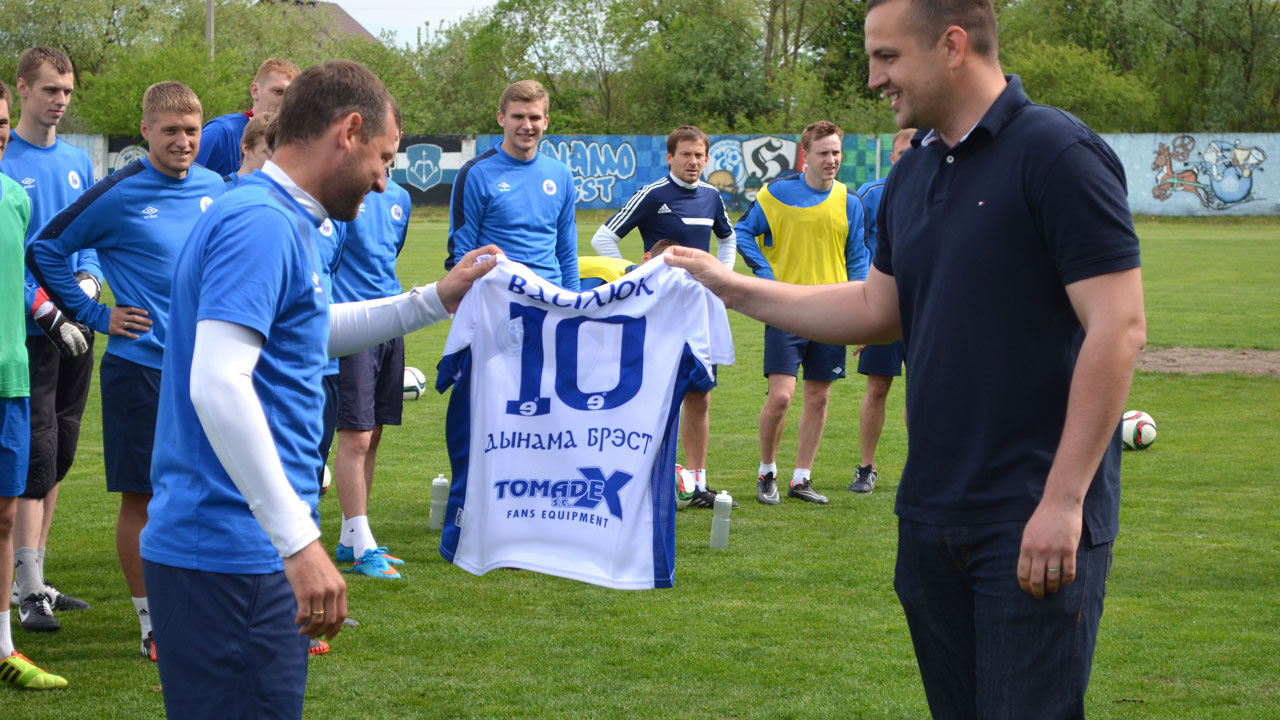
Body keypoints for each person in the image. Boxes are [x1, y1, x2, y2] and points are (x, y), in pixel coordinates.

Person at [666, 0, 1146, 715]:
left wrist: (1064, 500)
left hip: (1031, 513)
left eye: (886, 57)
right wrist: (731, 287)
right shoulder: (914, 172)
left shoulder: (1058, 153)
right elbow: (874, 309)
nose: (873, 78)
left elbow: (1119, 326)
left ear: (952, 46)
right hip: (930, 512)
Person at [138, 59, 500, 718]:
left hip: (242, 548)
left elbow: (307, 329)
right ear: (349, 131)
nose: (384, 179)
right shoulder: (261, 223)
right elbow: (218, 384)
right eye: (383, 157)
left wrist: (432, 299)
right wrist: (300, 542)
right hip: (231, 551)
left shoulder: (285, 217)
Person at [27, 82, 223, 661]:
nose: (183, 141)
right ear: (145, 131)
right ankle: (152, 624)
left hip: (206, 371)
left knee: (201, 495)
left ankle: (196, 608)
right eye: (170, 131)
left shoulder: (215, 187)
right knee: (143, 499)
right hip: (141, 371)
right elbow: (45, 249)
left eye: (192, 130)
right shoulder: (119, 192)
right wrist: (94, 315)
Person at [0, 46, 96, 630]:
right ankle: (25, 587)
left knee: (59, 449)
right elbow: (14, 256)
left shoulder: (79, 160)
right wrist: (47, 311)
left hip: (77, 322)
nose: (60, 100)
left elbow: (91, 236)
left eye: (66, 91)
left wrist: (88, 282)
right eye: (50, 90)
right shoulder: (6, 160)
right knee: (35, 454)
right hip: (31, 328)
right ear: (22, 88)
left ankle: (36, 577)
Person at [589, 125, 736, 507]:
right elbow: (603, 238)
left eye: (699, 155)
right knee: (650, 396)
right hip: (658, 314)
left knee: (700, 397)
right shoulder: (653, 194)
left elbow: (727, 238)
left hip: (697, 312)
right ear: (669, 157)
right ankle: (639, 480)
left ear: (707, 158)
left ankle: (697, 484)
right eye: (685, 154)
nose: (693, 161)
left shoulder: (712, 196)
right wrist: (633, 276)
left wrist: (723, 277)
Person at [735, 120, 869, 506]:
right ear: (805, 155)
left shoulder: (850, 201)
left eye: (836, 152)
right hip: (786, 310)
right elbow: (743, 232)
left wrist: (861, 313)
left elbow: (858, 259)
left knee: (819, 398)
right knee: (781, 397)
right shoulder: (776, 193)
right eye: (823, 153)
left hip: (832, 312)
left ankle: (801, 478)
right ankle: (767, 472)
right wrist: (766, 275)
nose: (831, 160)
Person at [0, 77, 67, 691]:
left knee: (6, 510)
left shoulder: (10, 196)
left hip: (13, 372)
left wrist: (49, 307)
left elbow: (19, 271)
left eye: (0, 126)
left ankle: (4, 645)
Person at [331, 129, 414, 581]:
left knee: (374, 434)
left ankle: (351, 537)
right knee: (355, 437)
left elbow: (390, 255)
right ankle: (363, 547)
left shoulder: (400, 197)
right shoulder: (343, 192)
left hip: (391, 322)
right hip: (353, 324)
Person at [446, 80, 578, 290]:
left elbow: (567, 252)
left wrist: (574, 301)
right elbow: (462, 253)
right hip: (497, 298)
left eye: (534, 118)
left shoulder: (561, 174)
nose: (527, 126)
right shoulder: (475, 173)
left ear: (545, 121)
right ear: (501, 118)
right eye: (518, 117)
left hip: (550, 299)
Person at [849, 127, 915, 494]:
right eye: (903, 154)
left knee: (922, 391)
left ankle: (920, 468)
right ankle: (866, 467)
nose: (910, 159)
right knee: (877, 387)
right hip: (884, 308)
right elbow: (857, 251)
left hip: (925, 309)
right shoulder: (872, 195)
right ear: (892, 158)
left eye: (917, 151)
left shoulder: (942, 188)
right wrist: (864, 312)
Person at [196, 58, 299, 177]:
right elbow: (186, 179)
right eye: (278, 92)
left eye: (291, 95)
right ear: (255, 91)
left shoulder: (294, 143)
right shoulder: (222, 131)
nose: (285, 101)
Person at [223, 110, 277, 189]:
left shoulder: (281, 194)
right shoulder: (220, 189)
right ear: (247, 149)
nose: (275, 162)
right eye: (269, 153)